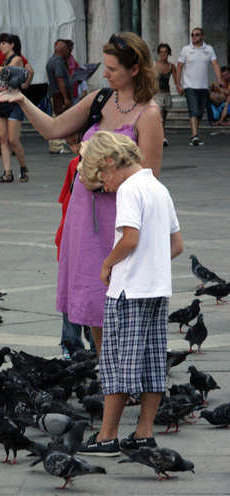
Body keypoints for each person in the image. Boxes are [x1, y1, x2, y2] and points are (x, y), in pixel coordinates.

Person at [0, 32, 164, 355]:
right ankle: (107, 371)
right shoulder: (101, 99)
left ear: (134, 70)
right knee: (92, 299)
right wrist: (22, 100)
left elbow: (149, 179)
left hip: (118, 216)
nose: (105, 74)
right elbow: (53, 128)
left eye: (112, 69)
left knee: (120, 297)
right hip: (83, 213)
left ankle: (124, 370)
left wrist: (100, 176)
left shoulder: (149, 114)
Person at [74, 131, 183, 456]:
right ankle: (144, 432)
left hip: (128, 291)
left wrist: (108, 264)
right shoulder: (158, 188)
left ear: (111, 162)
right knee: (151, 362)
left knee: (117, 363)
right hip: (157, 290)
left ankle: (107, 436)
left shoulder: (129, 190)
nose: (104, 185)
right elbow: (176, 244)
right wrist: (154, 262)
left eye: (101, 176)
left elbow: (130, 238)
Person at [55, 132, 94, 358]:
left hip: (88, 239)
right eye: (69, 144)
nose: (74, 148)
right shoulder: (73, 164)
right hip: (70, 236)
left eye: (76, 143)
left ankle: (95, 346)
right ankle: (70, 345)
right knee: (69, 297)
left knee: (89, 296)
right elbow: (66, 202)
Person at [0, 33, 29, 183]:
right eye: (0, 43)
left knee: (13, 139)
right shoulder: (4, 60)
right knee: (3, 138)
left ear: (12, 45)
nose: (1, 46)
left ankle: (23, 167)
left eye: (4, 43)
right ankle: (7, 172)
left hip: (15, 101)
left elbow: (5, 71)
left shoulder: (16, 59)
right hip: (2, 99)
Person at [176, 27, 222, 146]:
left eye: (197, 35)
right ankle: (194, 135)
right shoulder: (186, 49)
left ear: (202, 36)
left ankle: (195, 134)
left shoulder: (209, 49)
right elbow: (179, 67)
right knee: (194, 109)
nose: (194, 37)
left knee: (200, 111)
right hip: (189, 86)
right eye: (192, 35)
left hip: (203, 86)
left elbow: (215, 64)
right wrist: (178, 84)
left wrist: (219, 79)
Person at [45, 39, 73, 154]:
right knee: (58, 119)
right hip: (58, 95)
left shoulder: (52, 60)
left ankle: (55, 144)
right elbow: (60, 79)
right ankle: (57, 145)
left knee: (56, 118)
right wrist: (65, 97)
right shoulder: (58, 62)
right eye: (67, 48)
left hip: (54, 93)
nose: (69, 51)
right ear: (62, 49)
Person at [154, 43, 179, 144]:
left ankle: (160, 135)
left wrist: (179, 87)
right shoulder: (154, 65)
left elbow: (176, 80)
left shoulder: (171, 66)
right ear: (159, 53)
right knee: (160, 118)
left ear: (168, 53)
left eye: (165, 52)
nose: (163, 54)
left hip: (167, 94)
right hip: (157, 94)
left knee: (164, 118)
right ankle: (163, 137)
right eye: (161, 52)